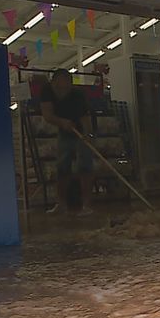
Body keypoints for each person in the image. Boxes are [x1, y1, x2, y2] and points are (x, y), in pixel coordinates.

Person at [40, 69, 94, 217]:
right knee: (62, 167)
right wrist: (62, 122)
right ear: (54, 82)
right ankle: (61, 203)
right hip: (65, 131)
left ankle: (87, 205)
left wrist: (87, 134)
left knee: (85, 167)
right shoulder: (47, 92)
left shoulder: (77, 95)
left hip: (81, 130)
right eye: (59, 86)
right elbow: (47, 115)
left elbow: (85, 117)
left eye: (66, 86)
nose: (62, 89)